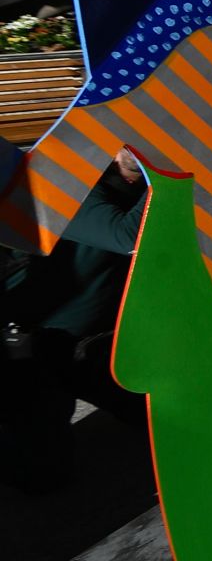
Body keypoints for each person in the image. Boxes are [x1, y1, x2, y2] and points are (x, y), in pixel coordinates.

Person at [0, 150, 148, 494]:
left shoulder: (123, 178)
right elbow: (128, 237)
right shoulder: (62, 181)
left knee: (163, 419)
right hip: (28, 350)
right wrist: (172, 178)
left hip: (89, 339)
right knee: (44, 474)